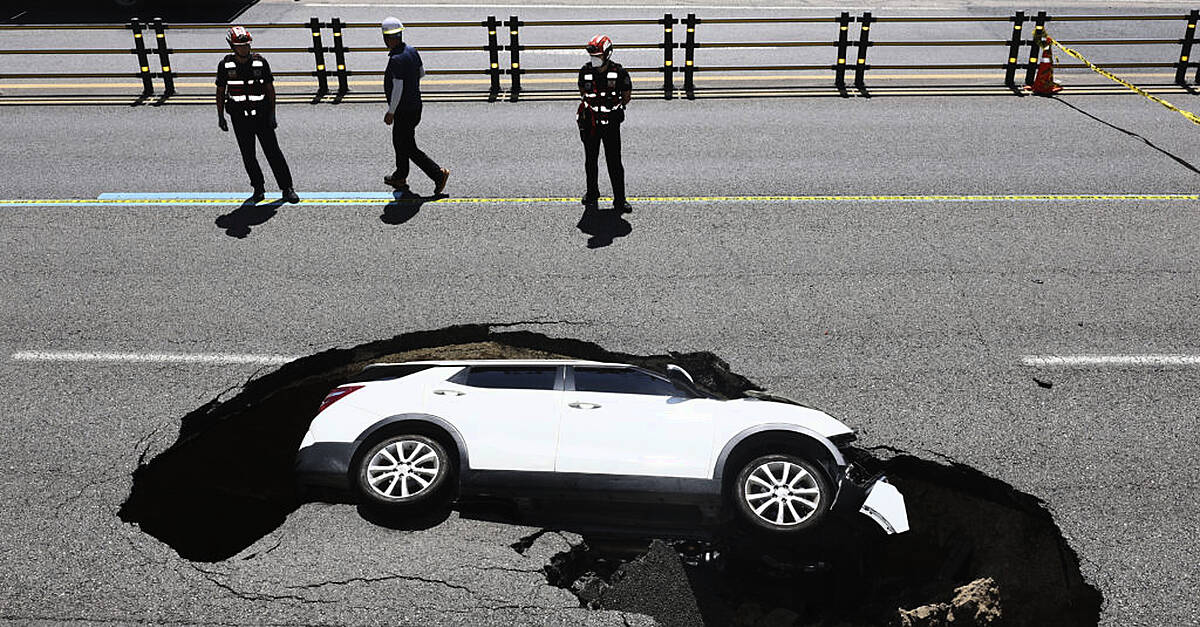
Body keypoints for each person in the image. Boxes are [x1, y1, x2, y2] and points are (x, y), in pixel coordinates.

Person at [215, 26, 299, 204]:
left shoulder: (260, 63)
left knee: (273, 152)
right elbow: (221, 91)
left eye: (246, 45)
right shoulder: (225, 66)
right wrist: (220, 115)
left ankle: (287, 188)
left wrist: (273, 114)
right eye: (240, 45)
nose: (244, 48)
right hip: (239, 118)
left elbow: (270, 89)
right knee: (248, 155)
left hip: (261, 116)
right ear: (232, 46)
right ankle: (258, 188)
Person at [381, 17, 450, 196]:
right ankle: (400, 175)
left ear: (387, 38)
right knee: (400, 142)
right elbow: (421, 73)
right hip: (416, 106)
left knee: (407, 146)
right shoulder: (412, 51)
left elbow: (397, 88)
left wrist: (391, 111)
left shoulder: (396, 59)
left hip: (403, 110)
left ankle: (437, 174)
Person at [577, 34, 632, 213]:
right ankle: (592, 193)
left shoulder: (619, 72)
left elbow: (626, 97)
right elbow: (582, 93)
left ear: (607, 55)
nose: (594, 60)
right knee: (590, 161)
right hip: (591, 124)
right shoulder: (585, 71)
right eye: (592, 56)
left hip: (611, 125)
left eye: (598, 56)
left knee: (614, 161)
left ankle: (620, 199)